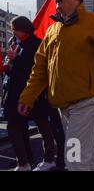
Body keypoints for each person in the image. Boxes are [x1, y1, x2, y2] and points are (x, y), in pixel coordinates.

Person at [18, 0, 94, 171]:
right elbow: (40, 68)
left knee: (74, 157)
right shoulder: (52, 30)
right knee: (87, 157)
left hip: (86, 100)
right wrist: (27, 97)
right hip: (63, 104)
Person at [3, 16, 55, 171]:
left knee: (43, 126)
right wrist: (9, 65)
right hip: (15, 93)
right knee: (14, 127)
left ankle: (49, 159)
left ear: (22, 28)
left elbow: (35, 69)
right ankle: (23, 162)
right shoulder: (17, 43)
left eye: (14, 29)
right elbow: (16, 69)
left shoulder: (36, 44)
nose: (13, 32)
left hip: (34, 94)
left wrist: (15, 59)